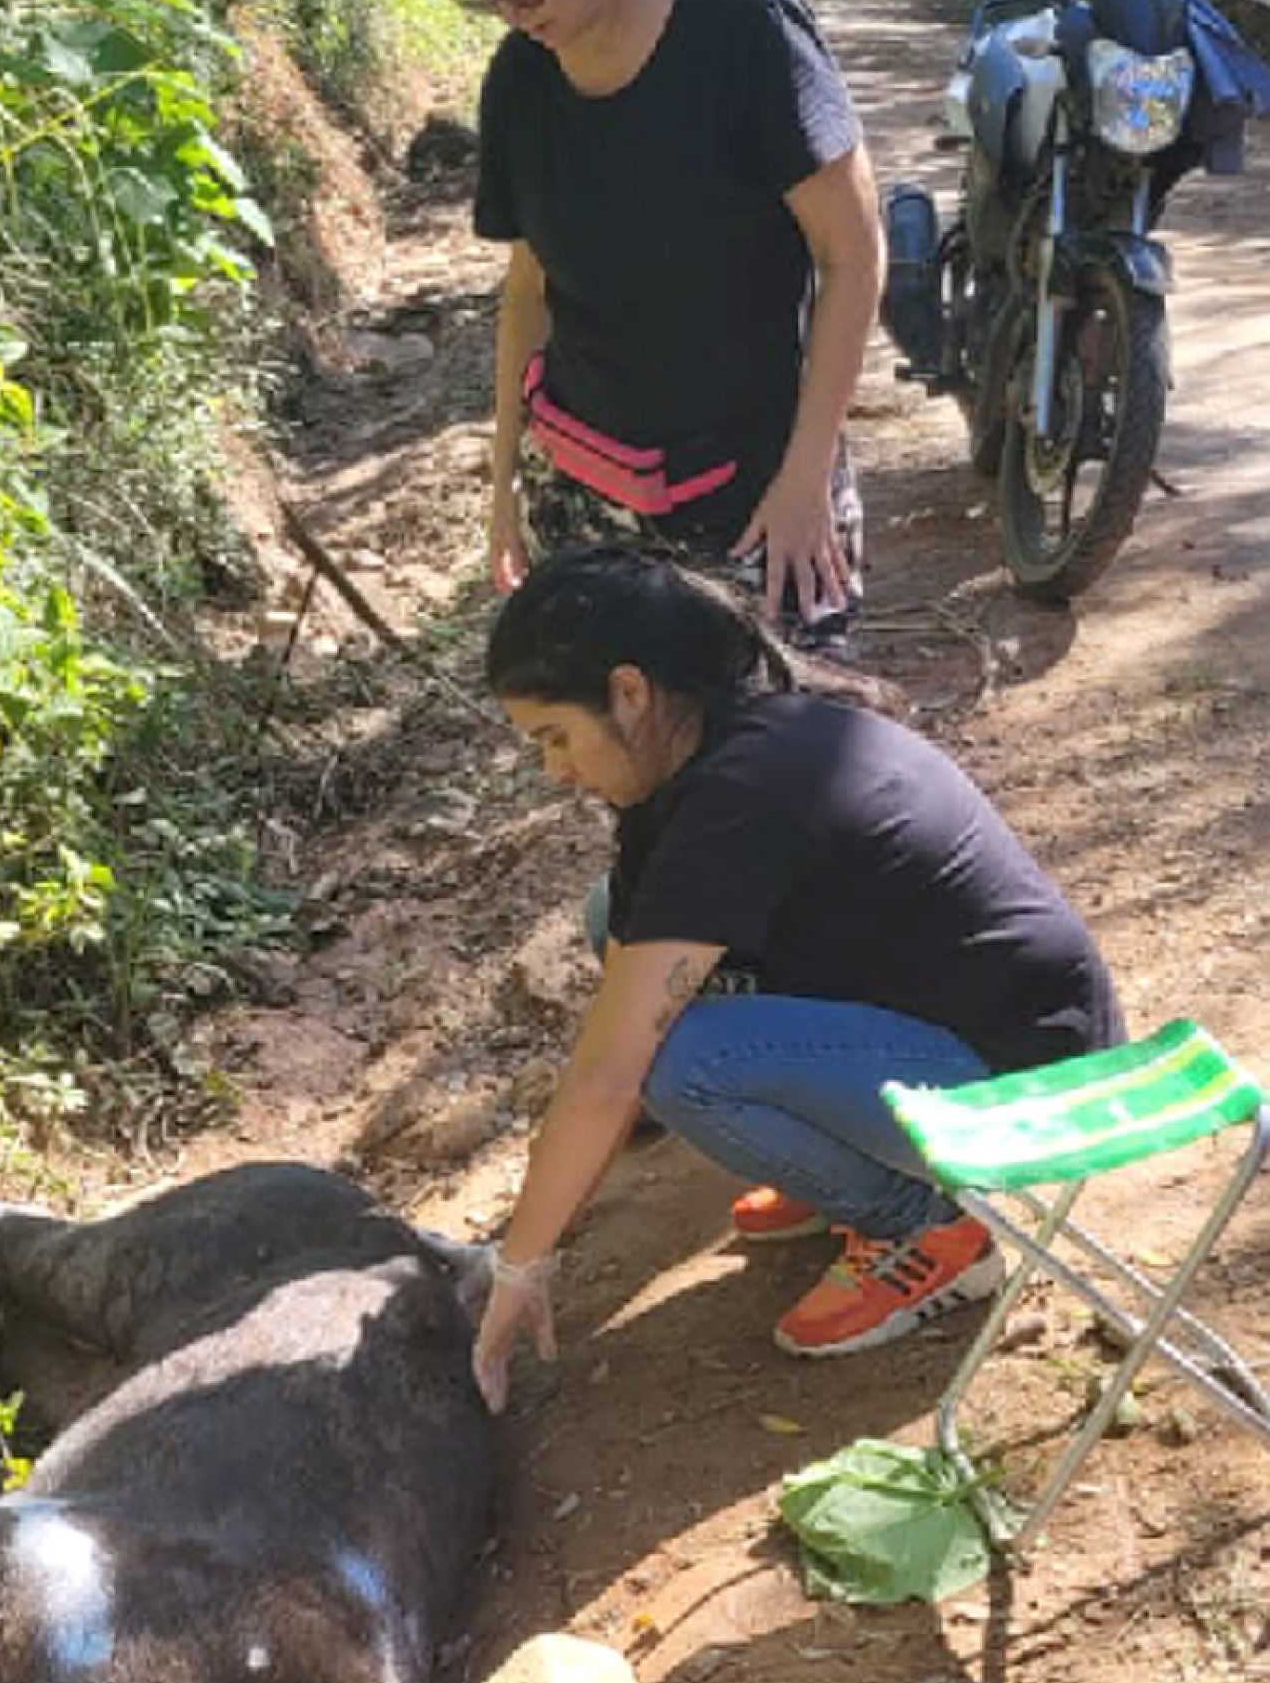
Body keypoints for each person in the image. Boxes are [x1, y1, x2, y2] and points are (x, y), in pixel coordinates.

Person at [470, 545, 1125, 1413]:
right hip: (951, 1021)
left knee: (680, 1062)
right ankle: (846, 1167)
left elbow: (610, 1073)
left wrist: (521, 1265)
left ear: (629, 692)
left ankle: (930, 1230)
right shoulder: (729, 739)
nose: (553, 770)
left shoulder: (738, 799)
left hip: (1027, 1084)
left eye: (555, 737)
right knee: (610, 924)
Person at [438, 0, 883, 648]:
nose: (512, 14)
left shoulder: (746, 30)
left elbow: (853, 255)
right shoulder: (519, 81)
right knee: (632, 759)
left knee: (783, 743)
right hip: (586, 474)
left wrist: (805, 478)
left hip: (755, 481)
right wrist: (504, 488)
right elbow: (527, 291)